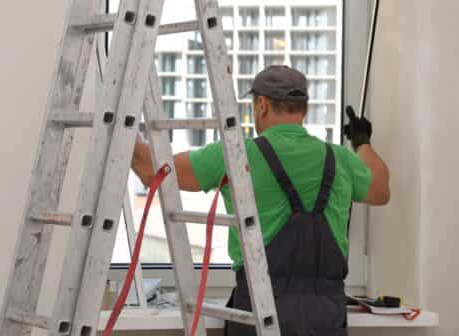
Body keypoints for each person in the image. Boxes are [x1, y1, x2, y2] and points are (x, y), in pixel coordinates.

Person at [131, 65, 391, 335]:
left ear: (262, 105)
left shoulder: (236, 155)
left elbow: (152, 171)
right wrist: (362, 143)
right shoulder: (340, 159)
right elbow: (381, 189)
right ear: (304, 108)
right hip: (325, 317)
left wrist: (125, 130)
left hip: (258, 312)